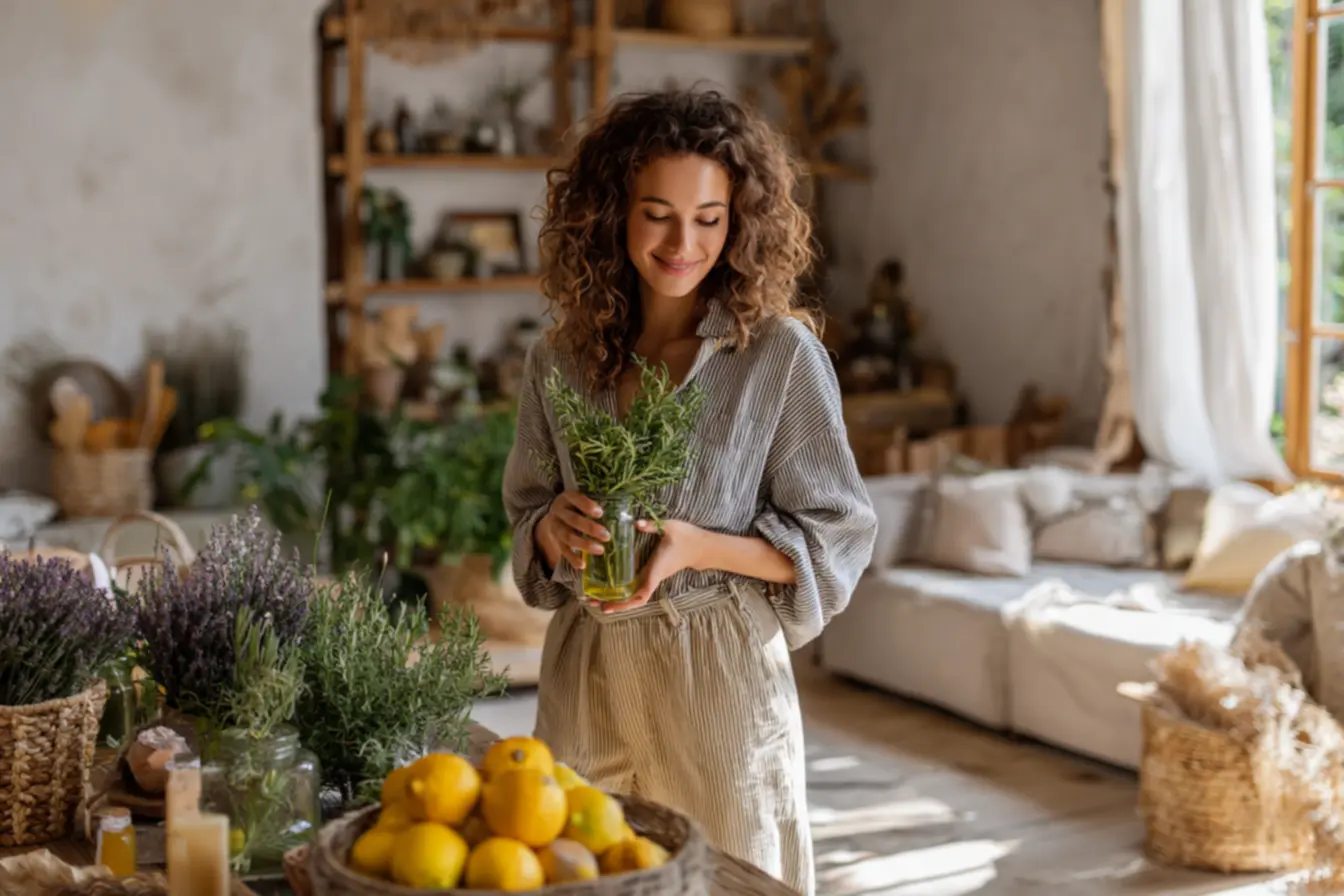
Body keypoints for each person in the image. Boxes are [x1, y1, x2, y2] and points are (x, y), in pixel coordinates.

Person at [501, 88, 878, 895]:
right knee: (572, 872)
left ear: (740, 221)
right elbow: (527, 510)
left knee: (732, 880)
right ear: (610, 214)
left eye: (709, 218)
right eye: (658, 214)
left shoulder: (779, 357)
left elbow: (838, 532)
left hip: (719, 684)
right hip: (586, 673)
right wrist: (548, 530)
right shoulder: (558, 359)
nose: (684, 242)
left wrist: (696, 546)